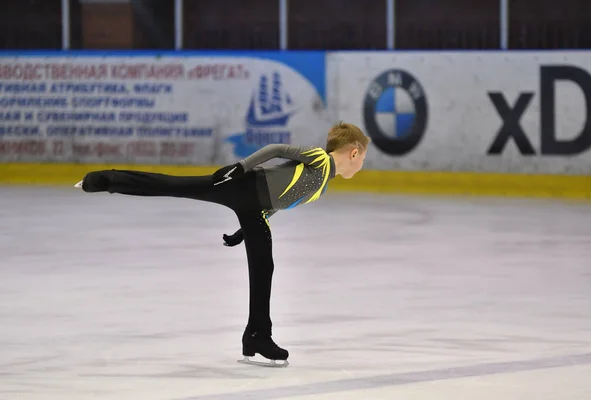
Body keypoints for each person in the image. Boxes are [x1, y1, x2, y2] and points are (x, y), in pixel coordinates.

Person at [75, 122, 370, 367]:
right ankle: (103, 180)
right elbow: (276, 150)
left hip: (255, 209)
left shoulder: (321, 187)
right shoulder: (319, 158)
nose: (362, 165)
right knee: (175, 186)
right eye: (363, 159)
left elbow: (281, 200)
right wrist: (240, 167)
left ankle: (256, 337)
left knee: (264, 266)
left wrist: (244, 230)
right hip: (242, 184)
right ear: (354, 153)